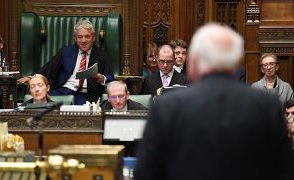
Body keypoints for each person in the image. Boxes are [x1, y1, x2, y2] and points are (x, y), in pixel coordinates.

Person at [135, 23, 294, 179]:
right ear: (235, 62)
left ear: (193, 63)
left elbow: (146, 173)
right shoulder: (268, 107)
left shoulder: (166, 107)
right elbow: (284, 172)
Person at [17, 19, 114, 105]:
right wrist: (33, 77)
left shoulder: (102, 55)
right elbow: (49, 68)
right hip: (63, 91)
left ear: (93, 38)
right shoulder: (66, 51)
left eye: (87, 37)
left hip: (85, 94)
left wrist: (102, 78)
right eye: (80, 37)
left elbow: (110, 76)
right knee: (43, 103)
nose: (83, 40)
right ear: (75, 38)